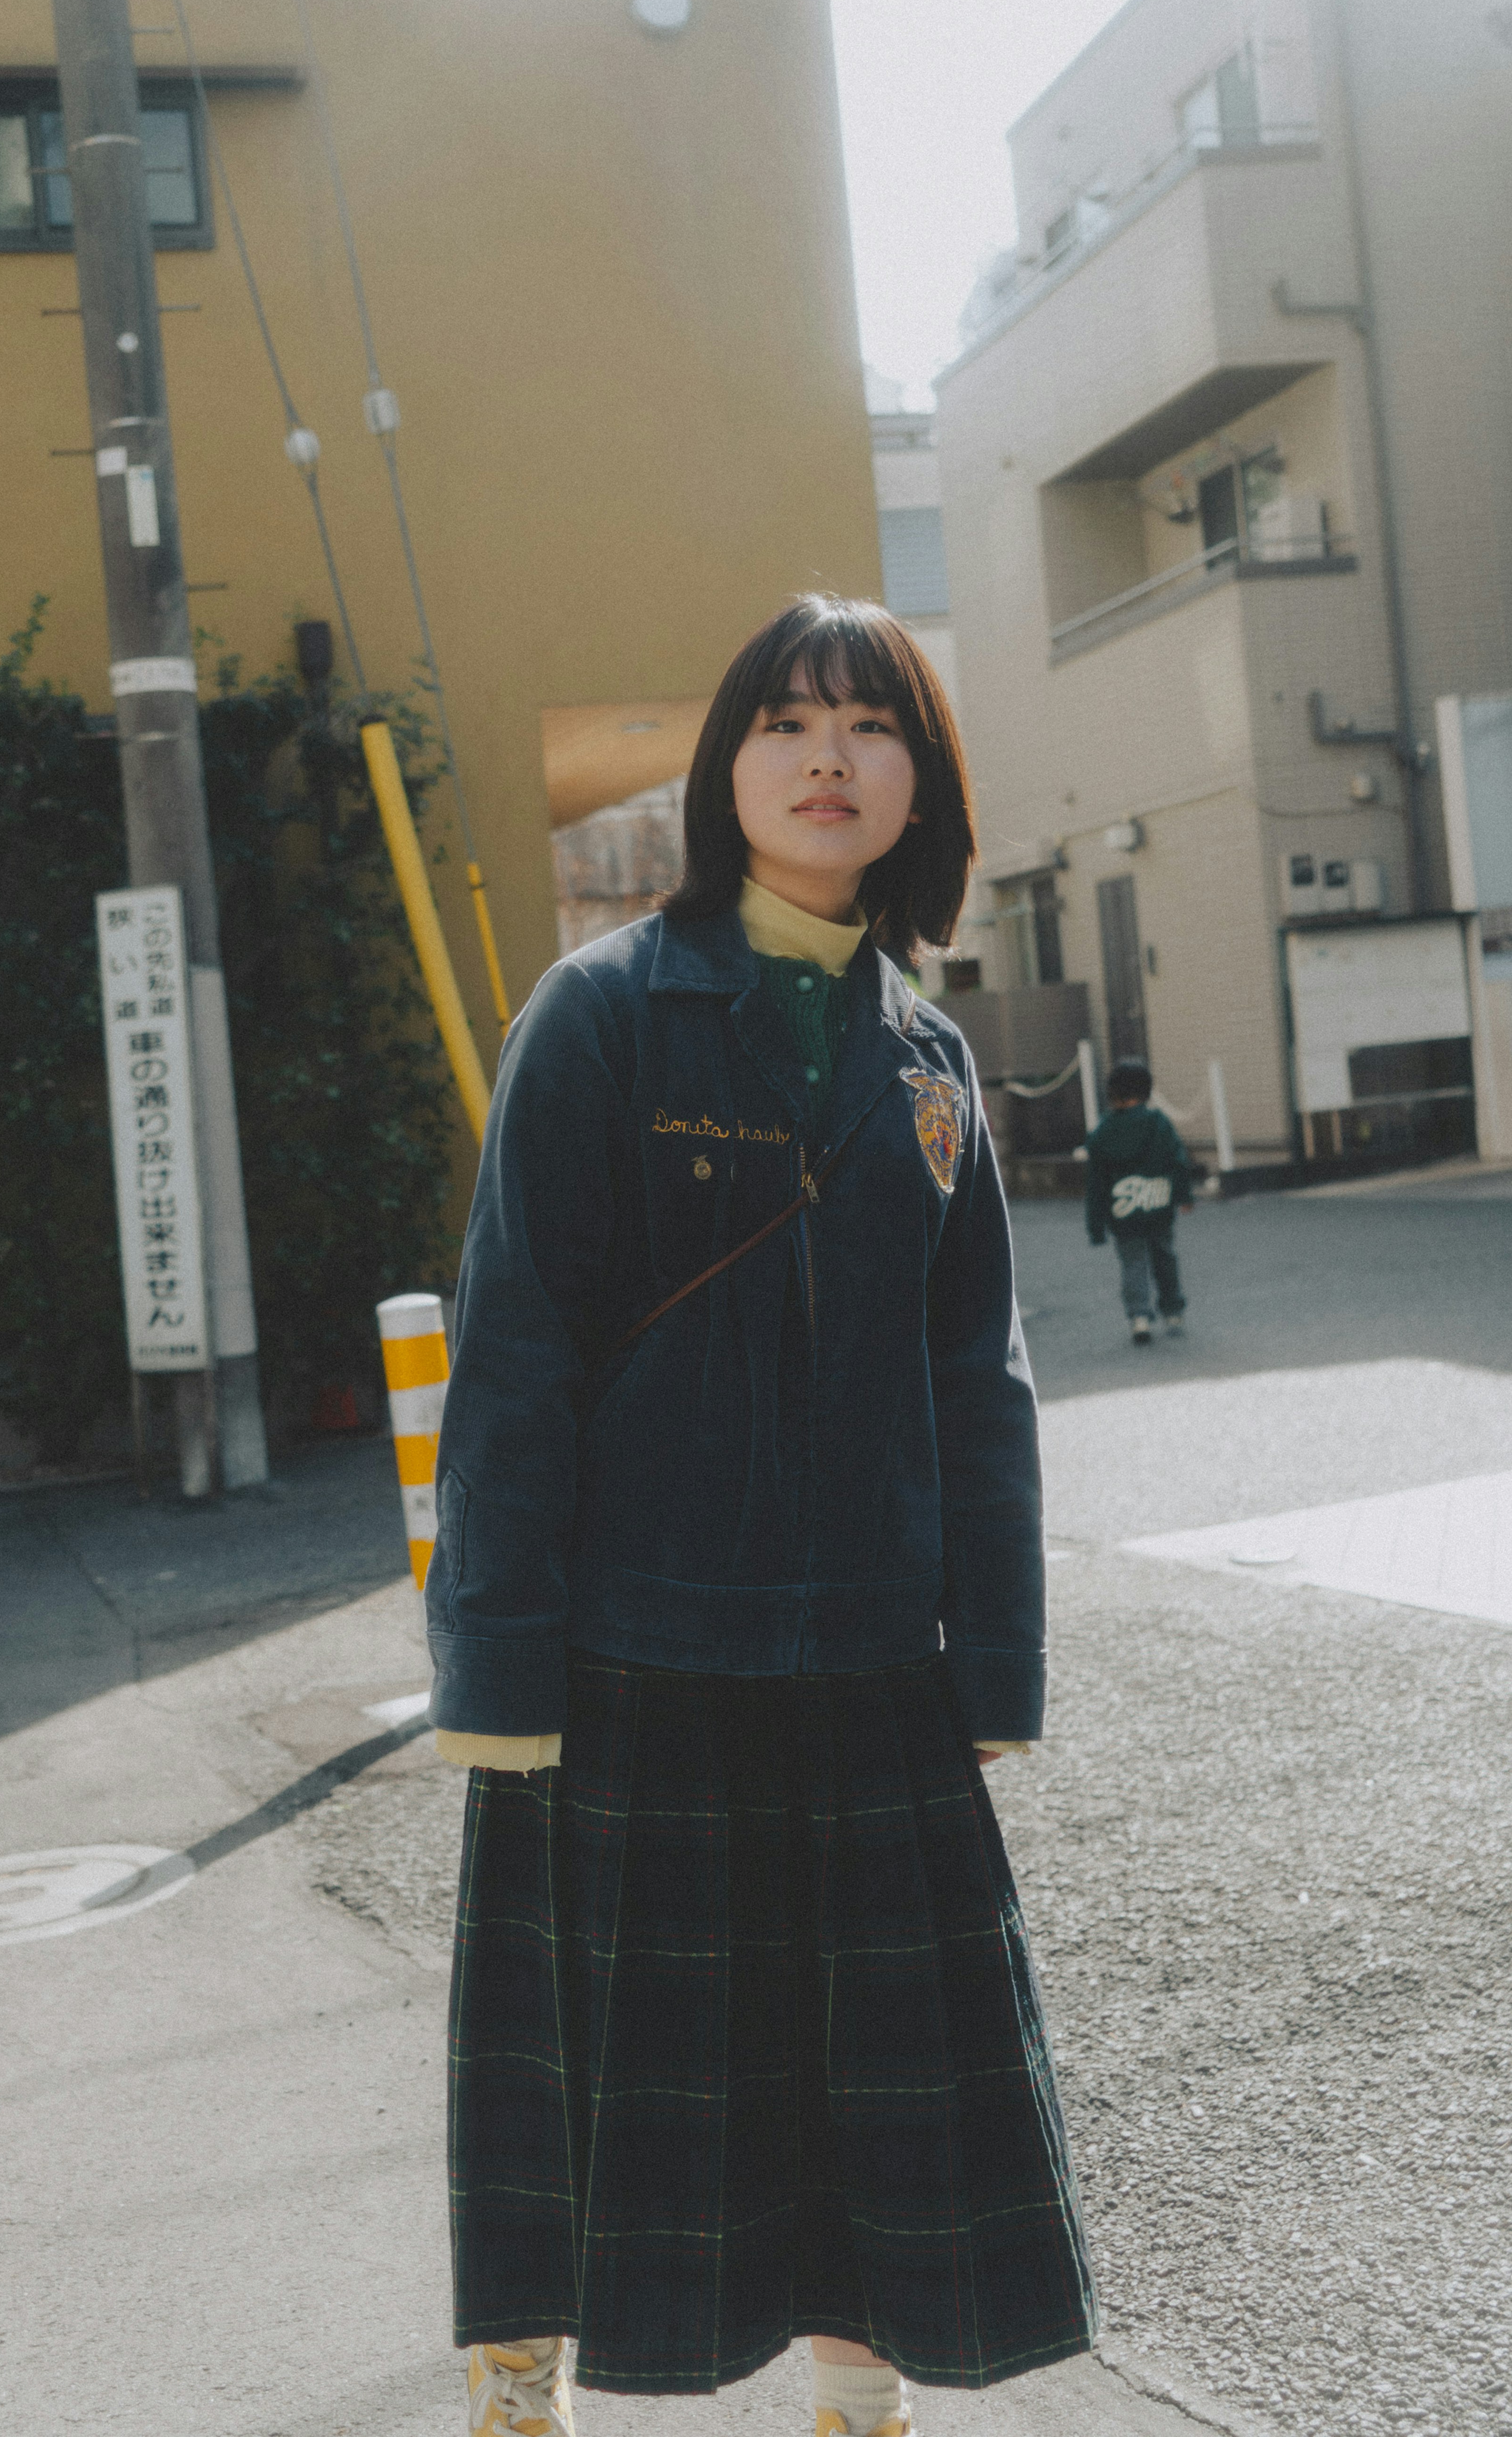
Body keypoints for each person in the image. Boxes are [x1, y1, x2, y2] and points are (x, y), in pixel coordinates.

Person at [426, 596, 1096, 2437]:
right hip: (633, 1640)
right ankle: (513, 2379)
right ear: (728, 770)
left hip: (873, 1647)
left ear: (919, 785)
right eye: (788, 720)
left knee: (877, 2071)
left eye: (870, 725)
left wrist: (996, 1650)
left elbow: (984, 1380)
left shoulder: (929, 1063)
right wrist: (496, 1657)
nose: (827, 753)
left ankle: (859, 2397)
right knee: (590, 2058)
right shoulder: (603, 1010)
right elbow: (514, 1349)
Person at [1083, 1058, 1195, 1343]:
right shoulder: (1159, 1124)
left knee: (1133, 1264)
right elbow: (1178, 1161)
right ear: (1146, 1092)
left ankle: (1140, 1318)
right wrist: (1184, 1195)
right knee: (1165, 1258)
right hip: (1159, 1206)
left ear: (1113, 1094)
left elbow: (1095, 1184)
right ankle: (1172, 1309)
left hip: (1124, 1213)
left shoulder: (1103, 1134)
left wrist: (1096, 1226)